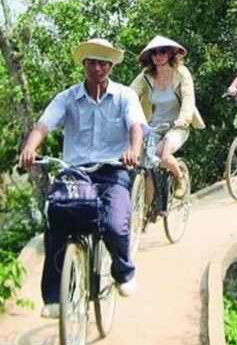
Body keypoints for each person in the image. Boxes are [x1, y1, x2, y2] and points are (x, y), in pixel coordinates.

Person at [18, 38, 146, 318]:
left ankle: (123, 271)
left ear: (110, 66)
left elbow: (136, 125)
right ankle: (54, 298)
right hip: (75, 172)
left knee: (114, 224)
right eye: (91, 62)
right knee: (57, 220)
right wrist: (30, 147)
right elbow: (44, 123)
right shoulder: (67, 98)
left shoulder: (125, 96)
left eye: (103, 63)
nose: (97, 68)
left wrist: (134, 151)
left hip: (113, 170)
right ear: (83, 65)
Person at [129, 35, 205, 198]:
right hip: (153, 126)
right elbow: (130, 94)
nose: (158, 56)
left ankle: (180, 177)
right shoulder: (146, 76)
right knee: (145, 165)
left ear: (171, 54)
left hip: (176, 126)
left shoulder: (182, 73)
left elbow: (188, 99)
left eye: (162, 52)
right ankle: (147, 210)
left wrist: (183, 120)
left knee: (162, 154)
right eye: (154, 53)